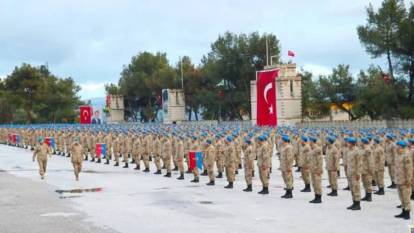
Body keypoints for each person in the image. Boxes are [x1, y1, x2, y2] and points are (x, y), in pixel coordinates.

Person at [394, 140, 412, 220]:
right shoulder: (398, 155)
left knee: (406, 197)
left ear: (402, 147)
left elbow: (409, 170)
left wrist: (408, 180)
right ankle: (403, 211)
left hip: (405, 181)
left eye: (399, 147)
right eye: (397, 147)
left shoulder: (406, 156)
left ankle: (407, 213)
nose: (397, 148)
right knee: (401, 197)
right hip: (399, 179)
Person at [346, 137, 362, 210]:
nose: (347, 144)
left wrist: (358, 173)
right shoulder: (349, 151)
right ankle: (354, 202)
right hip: (350, 172)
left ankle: (358, 204)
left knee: (356, 188)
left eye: (348, 143)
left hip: (355, 173)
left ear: (352, 143)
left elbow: (359, 163)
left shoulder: (357, 151)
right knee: (352, 188)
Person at [309, 136, 323, 203]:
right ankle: (316, 196)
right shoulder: (313, 149)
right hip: (313, 169)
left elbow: (320, 161)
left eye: (310, 141)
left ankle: (319, 198)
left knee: (317, 184)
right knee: (314, 184)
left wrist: (319, 170)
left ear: (312, 142)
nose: (309, 142)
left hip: (317, 170)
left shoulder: (318, 149)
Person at [361, 137, 374, 202]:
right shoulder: (364, 149)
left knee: (368, 183)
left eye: (361, 141)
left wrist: (371, 170)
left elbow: (370, 160)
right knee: (364, 182)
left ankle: (369, 196)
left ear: (363, 142)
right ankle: (366, 195)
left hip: (367, 169)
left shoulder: (368, 149)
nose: (361, 143)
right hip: (363, 169)